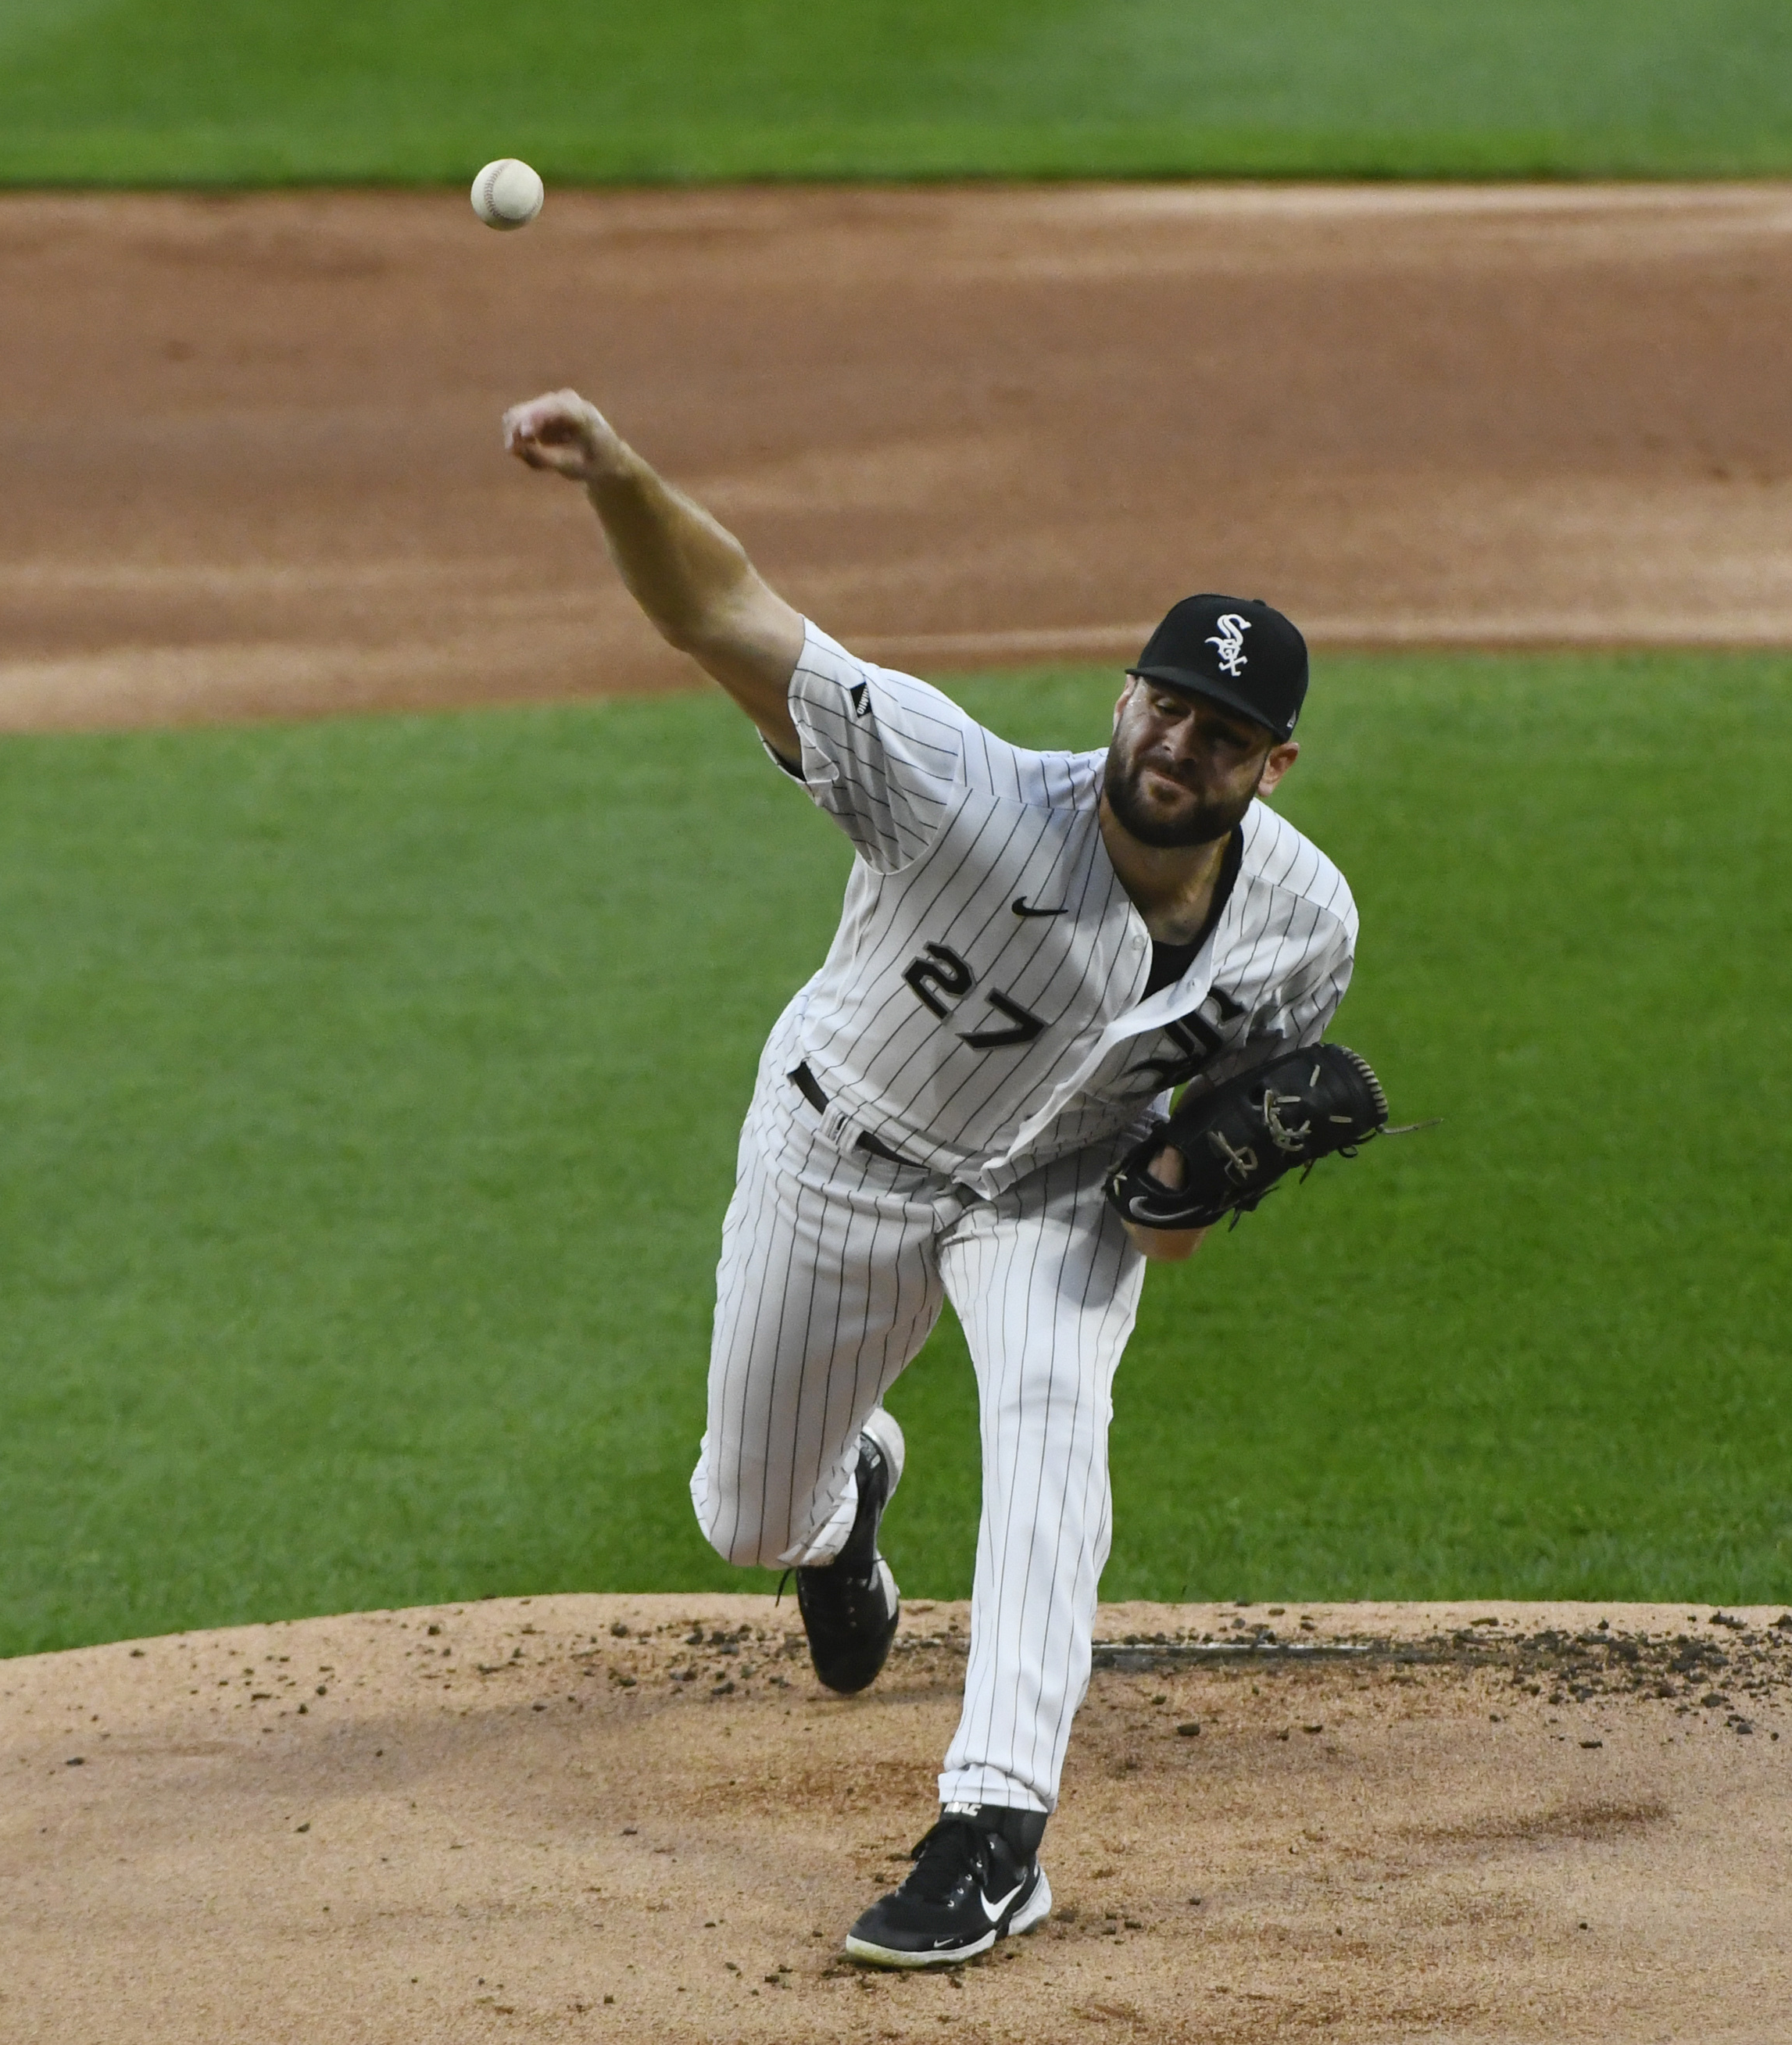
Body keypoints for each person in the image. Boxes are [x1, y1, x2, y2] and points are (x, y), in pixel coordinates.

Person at [503, 389, 1358, 1968]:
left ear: (1273, 764)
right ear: (1126, 697)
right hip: (842, 1151)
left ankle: (992, 1830)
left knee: (1053, 1413)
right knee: (745, 1518)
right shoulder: (954, 788)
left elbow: (1189, 1181)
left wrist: (1181, 1189)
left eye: (1222, 735)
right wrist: (618, 474)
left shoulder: (1309, 926)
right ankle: (843, 1516)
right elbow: (723, 613)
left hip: (1049, 1192)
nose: (1180, 747)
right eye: (1166, 708)